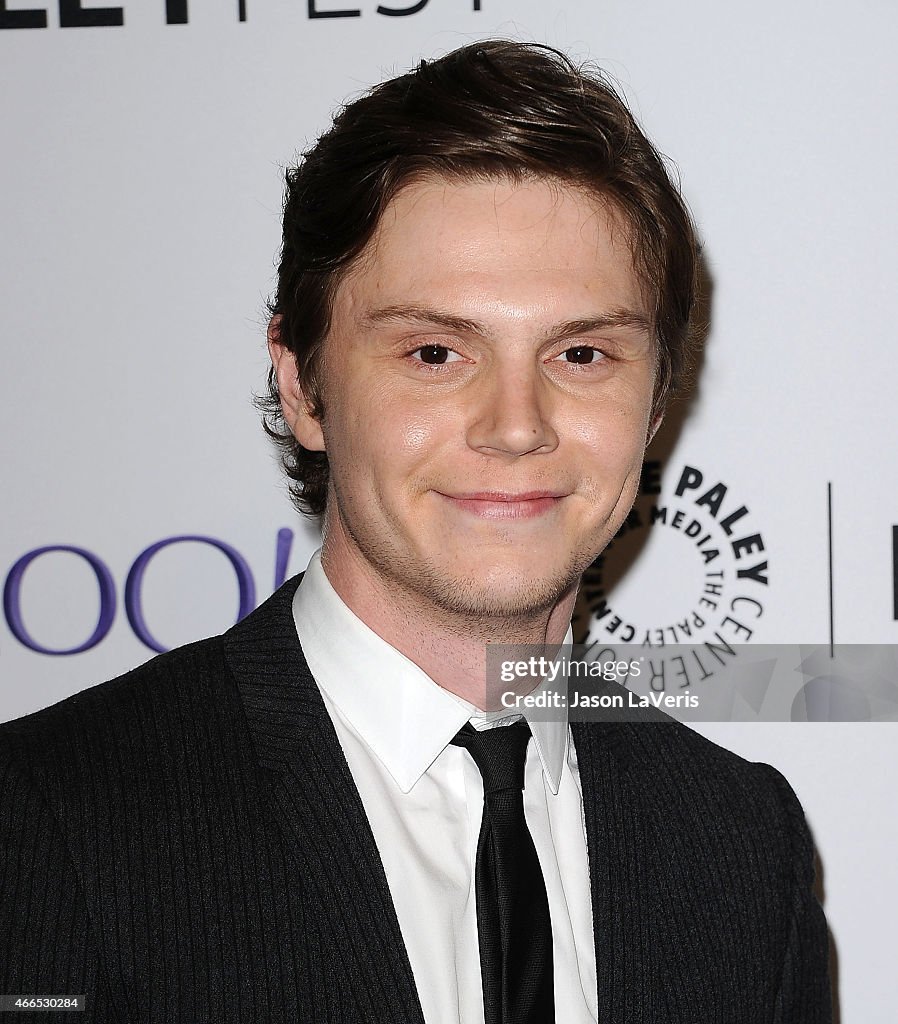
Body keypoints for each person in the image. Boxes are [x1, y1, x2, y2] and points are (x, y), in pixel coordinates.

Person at [0, 40, 831, 1023]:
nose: (516, 424)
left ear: (655, 401)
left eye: (582, 351)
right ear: (302, 384)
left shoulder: (740, 849)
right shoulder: (47, 822)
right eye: (434, 351)